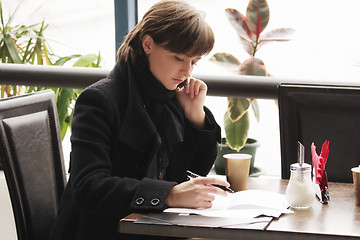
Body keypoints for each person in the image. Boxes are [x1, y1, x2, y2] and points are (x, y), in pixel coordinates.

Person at [50, 0, 229, 239]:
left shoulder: (169, 97)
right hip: (100, 231)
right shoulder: (99, 100)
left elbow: (193, 171)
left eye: (194, 62)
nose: (187, 71)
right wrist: (169, 194)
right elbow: (88, 186)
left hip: (151, 229)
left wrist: (195, 116)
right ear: (147, 44)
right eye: (178, 58)